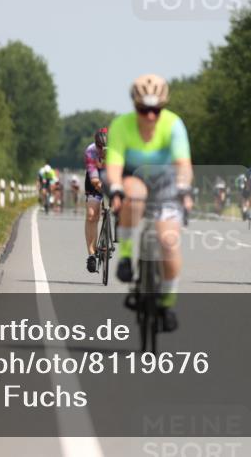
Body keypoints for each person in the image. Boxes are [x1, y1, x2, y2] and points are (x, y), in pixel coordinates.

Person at [107, 74, 193, 331]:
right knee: (134, 195)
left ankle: (167, 301)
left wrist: (184, 189)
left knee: (168, 243)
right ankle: (124, 256)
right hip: (134, 177)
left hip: (167, 182)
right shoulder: (121, 125)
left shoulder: (173, 125)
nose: (150, 116)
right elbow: (113, 165)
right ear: (135, 106)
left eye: (156, 109)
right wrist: (114, 188)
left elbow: (182, 164)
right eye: (144, 109)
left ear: (163, 107)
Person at [83, 128, 109, 273]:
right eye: (99, 147)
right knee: (92, 214)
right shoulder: (90, 151)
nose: (101, 150)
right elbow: (94, 179)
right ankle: (92, 255)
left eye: (104, 147)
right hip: (95, 180)